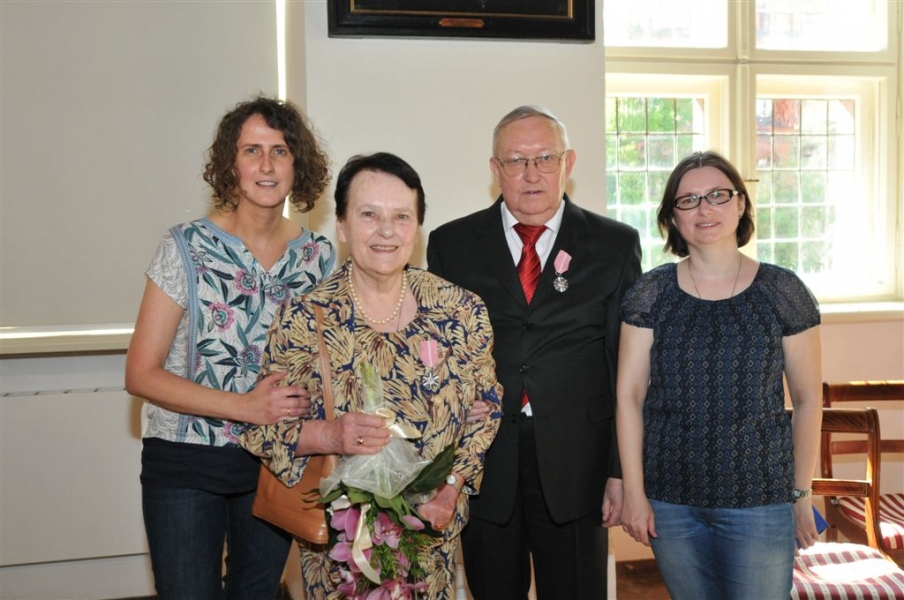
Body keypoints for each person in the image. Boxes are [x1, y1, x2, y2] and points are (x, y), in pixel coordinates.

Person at [240, 152, 503, 599]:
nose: (386, 230)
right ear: (342, 226)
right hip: (339, 556)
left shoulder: (459, 310)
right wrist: (330, 435)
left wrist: (451, 488)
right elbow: (263, 430)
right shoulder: (305, 318)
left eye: (401, 216)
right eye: (369, 215)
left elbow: (487, 409)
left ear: (417, 228)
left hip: (430, 542)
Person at [426, 105, 642, 600]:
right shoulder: (452, 244)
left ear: (569, 162)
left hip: (579, 463)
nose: (531, 174)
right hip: (484, 460)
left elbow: (625, 367)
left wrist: (620, 471)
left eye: (545, 158)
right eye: (516, 161)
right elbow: (438, 359)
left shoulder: (613, 244)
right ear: (495, 168)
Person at [125, 96, 335, 600]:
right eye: (251, 150)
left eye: (280, 151)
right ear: (230, 164)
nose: (266, 165)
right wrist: (245, 407)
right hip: (185, 463)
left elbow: (331, 367)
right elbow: (140, 374)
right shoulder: (185, 247)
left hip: (276, 463)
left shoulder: (319, 258)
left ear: (297, 165)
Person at [616, 150, 823, 600]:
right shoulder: (651, 293)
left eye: (718, 195)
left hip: (760, 497)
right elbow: (629, 396)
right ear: (673, 217)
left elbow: (808, 400)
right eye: (688, 200)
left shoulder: (782, 291)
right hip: (670, 500)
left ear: (741, 203)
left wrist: (801, 492)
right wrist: (634, 493)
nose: (704, 209)